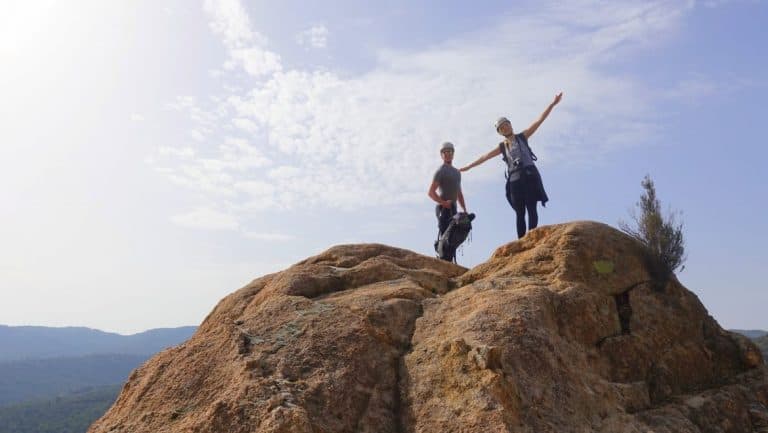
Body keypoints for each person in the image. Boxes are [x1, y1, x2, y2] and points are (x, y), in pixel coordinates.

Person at [460, 92, 563, 239]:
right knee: (520, 211)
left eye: (506, 125)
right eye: (502, 128)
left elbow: (539, 120)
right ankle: (521, 241)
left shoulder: (523, 136)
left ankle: (531, 238)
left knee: (532, 207)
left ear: (511, 125)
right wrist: (469, 167)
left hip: (529, 175)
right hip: (515, 180)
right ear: (500, 132)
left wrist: (552, 104)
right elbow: (485, 157)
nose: (505, 128)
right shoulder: (502, 147)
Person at [428, 142, 467, 261]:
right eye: (445, 152)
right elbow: (431, 192)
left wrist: (465, 210)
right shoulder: (441, 171)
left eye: (450, 152)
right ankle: (442, 260)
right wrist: (443, 203)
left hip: (454, 207)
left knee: (455, 235)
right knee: (444, 234)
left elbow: (459, 193)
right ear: (441, 155)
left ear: (453, 154)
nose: (448, 154)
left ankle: (451, 261)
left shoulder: (457, 172)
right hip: (443, 208)